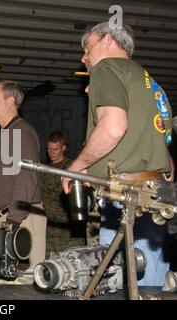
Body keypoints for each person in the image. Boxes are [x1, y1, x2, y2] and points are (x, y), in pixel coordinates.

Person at [61, 22, 172, 286]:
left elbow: (113, 127)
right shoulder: (150, 83)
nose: (84, 57)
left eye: (88, 47)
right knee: (153, 284)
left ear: (108, 40)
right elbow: (167, 160)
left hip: (124, 196)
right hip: (156, 194)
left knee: (114, 282)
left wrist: (77, 166)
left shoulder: (106, 69)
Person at [0, 80, 46, 268]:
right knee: (1, 280)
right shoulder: (2, 135)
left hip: (21, 219)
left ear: (10, 101)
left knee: (25, 281)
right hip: (1, 219)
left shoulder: (22, 132)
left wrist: (13, 221)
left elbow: (26, 177)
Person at [41, 131, 85, 257]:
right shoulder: (45, 170)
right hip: (50, 229)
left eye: (55, 149)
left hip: (68, 230)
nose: (51, 152)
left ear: (63, 148)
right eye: (49, 149)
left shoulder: (71, 168)